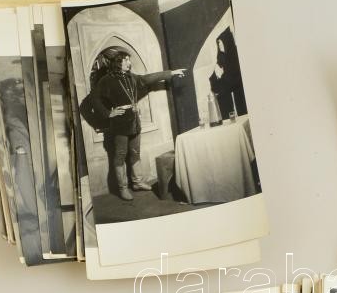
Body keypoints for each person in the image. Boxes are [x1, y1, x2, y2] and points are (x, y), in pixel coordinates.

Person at [89, 49, 186, 201]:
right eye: (126, 60)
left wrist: (171, 73)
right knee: (120, 156)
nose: (129, 62)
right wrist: (108, 113)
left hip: (134, 122)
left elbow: (148, 78)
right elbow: (93, 99)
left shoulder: (131, 77)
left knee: (135, 152)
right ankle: (123, 188)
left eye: (129, 59)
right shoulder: (106, 80)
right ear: (118, 62)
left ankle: (137, 182)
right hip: (119, 124)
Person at [209, 27, 247, 118]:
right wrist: (216, 75)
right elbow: (215, 79)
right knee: (221, 91)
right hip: (227, 84)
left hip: (237, 84)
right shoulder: (221, 56)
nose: (220, 46)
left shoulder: (235, 55)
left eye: (221, 43)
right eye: (218, 44)